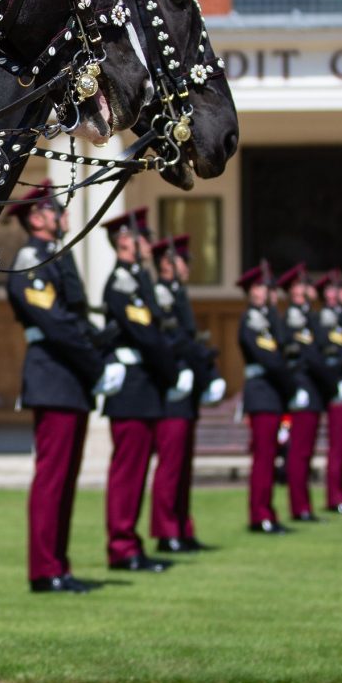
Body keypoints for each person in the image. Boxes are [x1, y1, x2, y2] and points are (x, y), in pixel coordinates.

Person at [5, 182, 113, 594]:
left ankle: (58, 566)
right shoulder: (31, 261)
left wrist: (105, 349)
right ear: (36, 218)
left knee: (66, 480)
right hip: (54, 377)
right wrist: (97, 363)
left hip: (70, 379)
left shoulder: (54, 257)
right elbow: (58, 327)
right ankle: (44, 570)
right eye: (56, 209)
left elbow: (77, 319)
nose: (64, 215)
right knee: (52, 480)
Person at [102, 210, 180, 573]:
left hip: (145, 384)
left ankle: (131, 543)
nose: (149, 244)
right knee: (127, 473)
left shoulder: (139, 279)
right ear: (125, 242)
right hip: (133, 386)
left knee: (138, 473)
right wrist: (172, 371)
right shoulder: (122, 282)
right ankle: (121, 546)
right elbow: (145, 334)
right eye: (142, 237)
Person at [150, 236, 219, 554]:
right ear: (166, 265)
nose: (186, 268)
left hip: (186, 389)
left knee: (183, 466)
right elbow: (171, 341)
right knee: (171, 466)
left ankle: (181, 527)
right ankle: (167, 532)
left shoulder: (178, 293)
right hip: (171, 389)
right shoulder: (162, 294)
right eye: (180, 261)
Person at [236, 262, 293, 534]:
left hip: (274, 393)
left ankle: (267, 510)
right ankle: (259, 514)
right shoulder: (252, 320)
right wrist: (291, 383)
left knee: (271, 458)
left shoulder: (271, 318)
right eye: (259, 287)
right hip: (262, 393)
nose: (265, 292)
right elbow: (268, 359)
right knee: (263, 458)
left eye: (268, 287)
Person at [278, 264, 324, 522]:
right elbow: (309, 357)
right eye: (304, 284)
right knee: (300, 451)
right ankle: (300, 507)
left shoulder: (308, 315)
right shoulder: (296, 318)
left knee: (306, 451)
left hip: (313, 388)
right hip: (304, 386)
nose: (310, 289)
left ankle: (304, 505)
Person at [312, 271, 342, 515]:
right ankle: (335, 496)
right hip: (335, 385)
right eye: (332, 289)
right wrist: (336, 381)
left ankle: (341, 494)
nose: (338, 294)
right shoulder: (325, 318)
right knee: (337, 446)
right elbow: (332, 354)